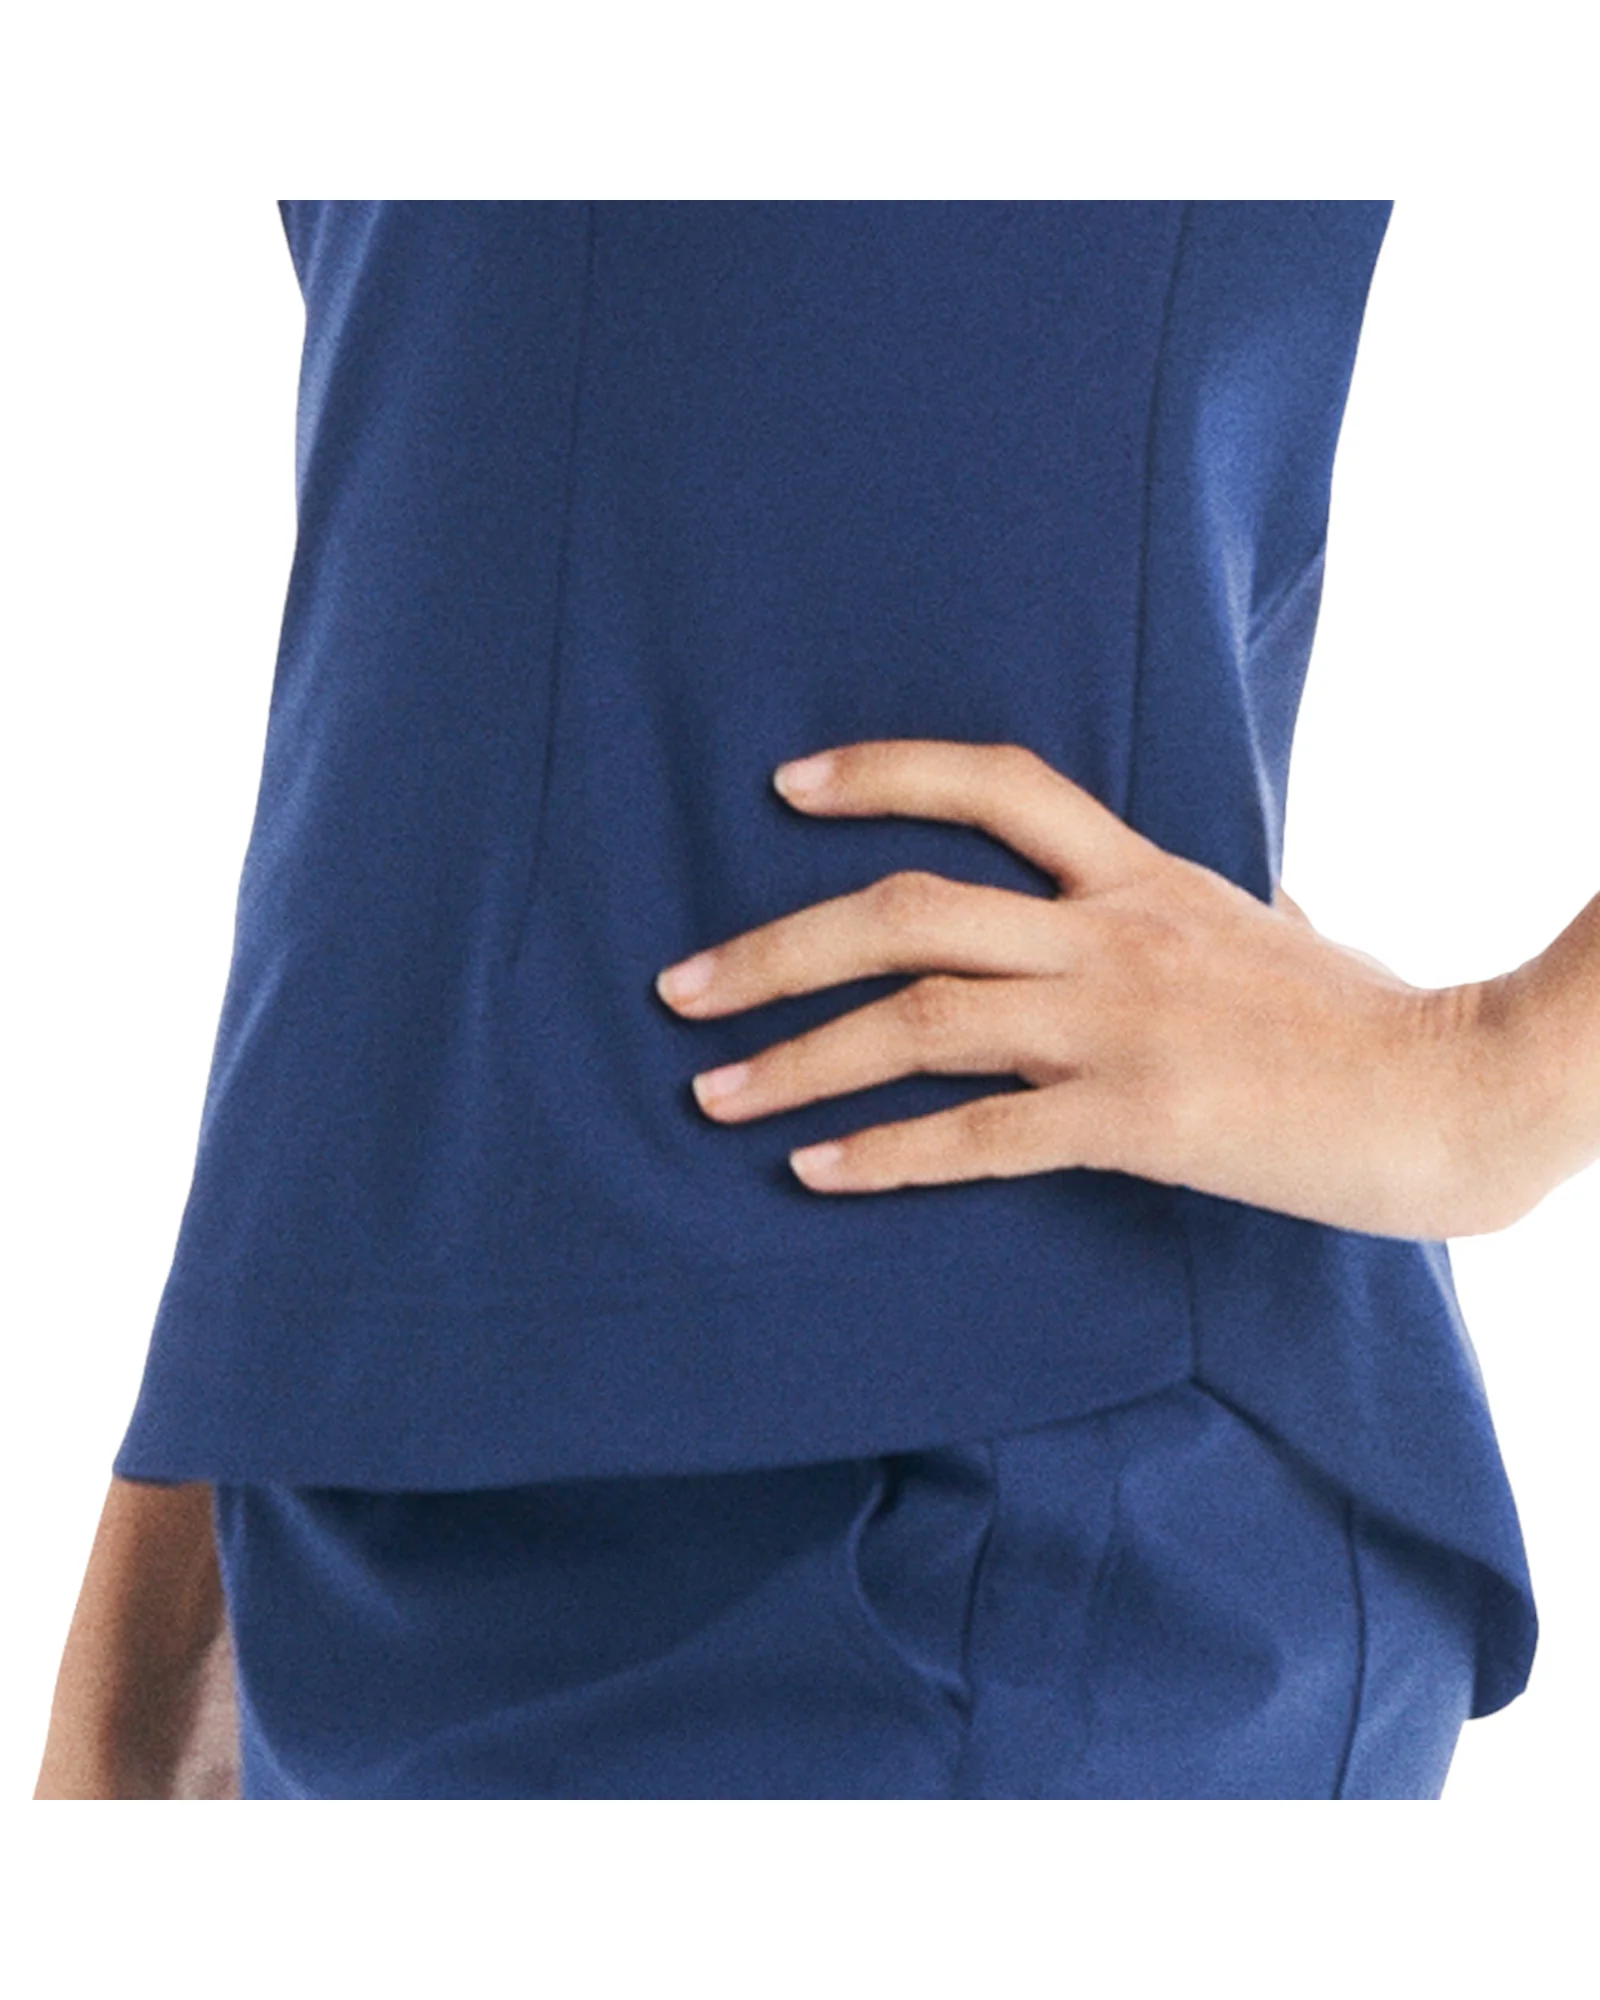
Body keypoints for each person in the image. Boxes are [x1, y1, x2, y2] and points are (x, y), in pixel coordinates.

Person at [34, 201, 1594, 1800]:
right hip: (359, 1511)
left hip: (979, 1501)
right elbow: (464, 589)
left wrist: (1487, 1078)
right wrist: (208, 1481)